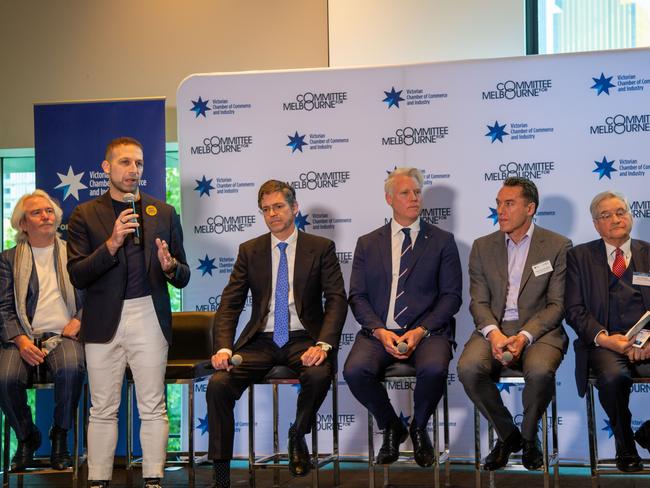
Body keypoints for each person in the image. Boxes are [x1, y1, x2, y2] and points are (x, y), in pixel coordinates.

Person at [66, 137, 190, 488]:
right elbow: (77, 273)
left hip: (149, 316)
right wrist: (112, 243)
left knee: (153, 405)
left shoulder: (163, 212)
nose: (132, 170)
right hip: (103, 319)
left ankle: (153, 479)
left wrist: (170, 267)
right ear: (106, 167)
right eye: (124, 162)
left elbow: (183, 275)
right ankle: (99, 481)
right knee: (102, 408)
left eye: (137, 163)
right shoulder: (84, 215)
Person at [206, 180, 347, 488]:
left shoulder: (320, 248)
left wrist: (324, 344)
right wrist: (223, 348)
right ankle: (220, 476)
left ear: (294, 208)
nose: (272, 214)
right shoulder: (250, 250)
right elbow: (230, 304)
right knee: (218, 384)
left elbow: (336, 299)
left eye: (278, 207)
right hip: (261, 340)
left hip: (303, 337)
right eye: (266, 209)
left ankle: (298, 432)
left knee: (319, 374)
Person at [343, 167, 462, 467]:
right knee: (355, 371)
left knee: (435, 369)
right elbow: (357, 296)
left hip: (428, 332)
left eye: (417, 192)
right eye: (405, 193)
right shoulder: (368, 243)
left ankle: (419, 428)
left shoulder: (442, 240)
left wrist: (421, 330)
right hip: (381, 331)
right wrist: (379, 331)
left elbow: (452, 297)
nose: (414, 198)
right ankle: (392, 427)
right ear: (389, 199)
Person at [457, 176, 571, 471]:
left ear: (530, 208)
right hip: (493, 329)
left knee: (541, 370)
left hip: (539, 331)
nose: (501, 210)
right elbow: (478, 303)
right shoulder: (482, 247)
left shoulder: (558, 245)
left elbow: (557, 305)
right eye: (498, 204)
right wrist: (494, 335)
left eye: (509, 203)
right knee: (469, 368)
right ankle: (509, 436)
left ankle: (530, 439)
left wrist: (524, 336)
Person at [565, 190, 650, 472]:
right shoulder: (579, 257)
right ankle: (625, 447)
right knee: (613, 378)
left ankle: (648, 432)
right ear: (595, 224)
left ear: (630, 216)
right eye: (606, 215)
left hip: (646, 342)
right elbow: (574, 310)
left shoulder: (648, 253)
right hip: (604, 344)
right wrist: (604, 339)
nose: (616, 219)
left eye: (621, 212)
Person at [0, 190, 84, 472]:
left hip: (64, 336)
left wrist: (81, 319)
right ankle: (27, 437)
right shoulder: (7, 260)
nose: (46, 216)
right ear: (23, 224)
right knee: (4, 378)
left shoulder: (75, 252)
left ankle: (59, 435)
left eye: (49, 211)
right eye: (36, 213)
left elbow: (97, 293)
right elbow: (3, 307)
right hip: (21, 337)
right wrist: (21, 340)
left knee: (73, 368)